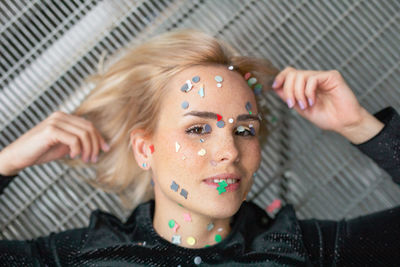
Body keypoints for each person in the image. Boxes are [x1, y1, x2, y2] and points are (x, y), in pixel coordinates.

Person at [0, 29, 399, 266]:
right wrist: (6, 163)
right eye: (197, 130)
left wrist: (361, 126)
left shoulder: (303, 249)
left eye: (245, 130)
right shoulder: (84, 256)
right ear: (144, 148)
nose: (228, 151)